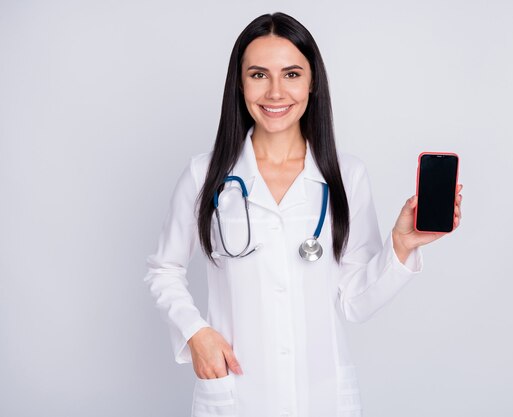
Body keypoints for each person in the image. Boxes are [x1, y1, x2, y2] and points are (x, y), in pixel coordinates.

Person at [144, 12, 462, 417]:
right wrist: (195, 333)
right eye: (258, 75)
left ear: (312, 84)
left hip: (323, 396)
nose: (275, 92)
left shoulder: (346, 175)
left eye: (291, 74)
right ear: (239, 85)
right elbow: (163, 269)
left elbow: (355, 302)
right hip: (237, 395)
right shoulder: (204, 175)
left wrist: (399, 248)